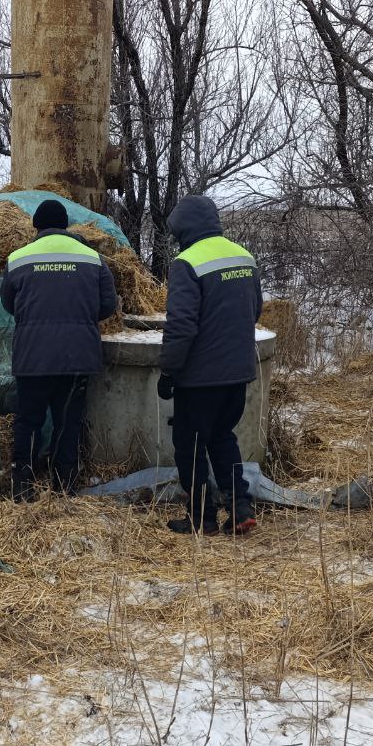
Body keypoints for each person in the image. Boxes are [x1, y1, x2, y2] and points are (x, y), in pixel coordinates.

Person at [158, 194, 263, 536]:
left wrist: (169, 371)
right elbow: (255, 310)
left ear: (185, 229)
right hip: (239, 372)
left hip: (200, 378)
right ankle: (240, 507)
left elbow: (181, 325)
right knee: (222, 437)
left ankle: (202, 517)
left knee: (190, 446)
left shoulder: (186, 262)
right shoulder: (244, 257)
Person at [0, 199, 117, 499]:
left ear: (36, 226)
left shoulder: (18, 258)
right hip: (77, 356)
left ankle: (22, 488)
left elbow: (9, 305)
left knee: (29, 421)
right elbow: (108, 305)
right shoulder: (93, 258)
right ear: (66, 226)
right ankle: (64, 487)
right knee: (68, 422)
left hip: (32, 356)